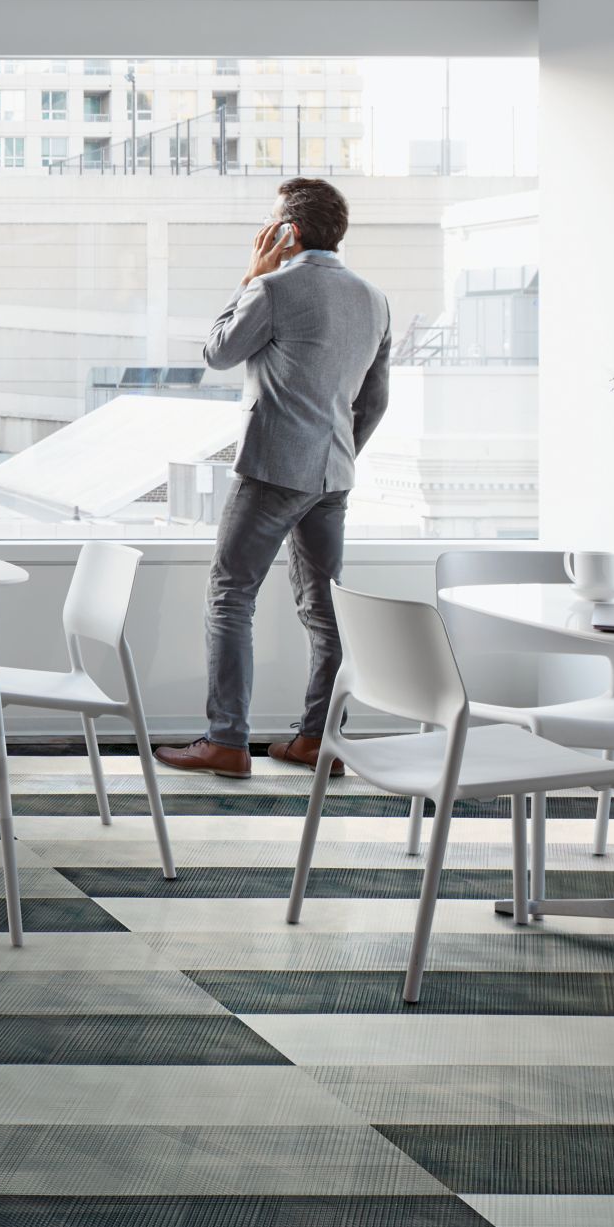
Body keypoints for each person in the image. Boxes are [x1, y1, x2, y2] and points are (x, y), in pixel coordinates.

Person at [156, 177, 390, 780]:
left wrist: (249, 276)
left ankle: (227, 742)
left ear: (286, 231)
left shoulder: (273, 287)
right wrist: (338, 455)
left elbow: (218, 353)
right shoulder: (374, 299)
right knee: (325, 610)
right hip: (334, 475)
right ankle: (317, 740)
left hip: (270, 473)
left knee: (231, 597)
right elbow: (375, 401)